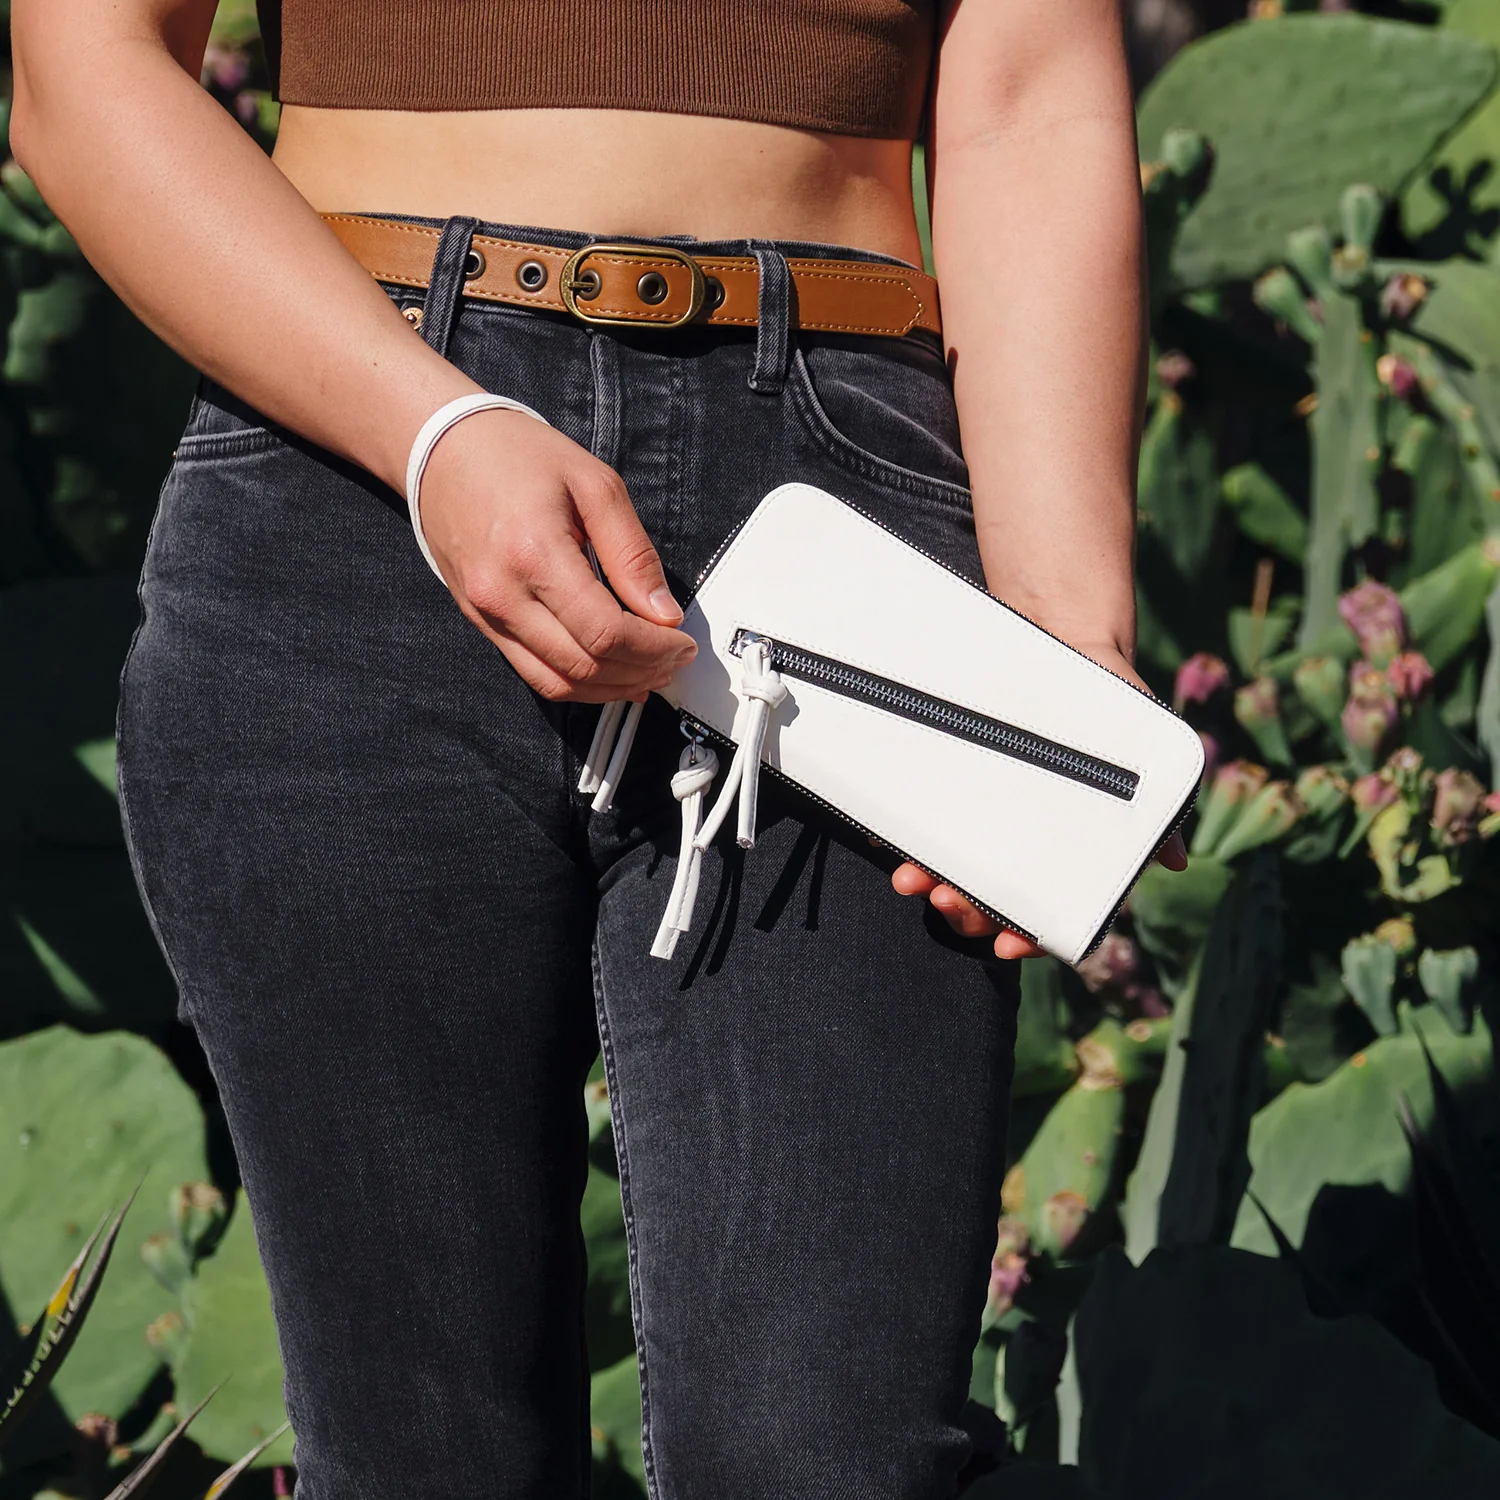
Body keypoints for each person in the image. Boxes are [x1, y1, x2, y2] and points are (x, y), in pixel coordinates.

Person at [12, 1, 1185, 1494]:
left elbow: (1031, 103)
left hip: (843, 527)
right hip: (350, 455)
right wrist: (431, 433)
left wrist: (1064, 643)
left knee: (828, 1461)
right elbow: (86, 69)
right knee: (421, 1459)